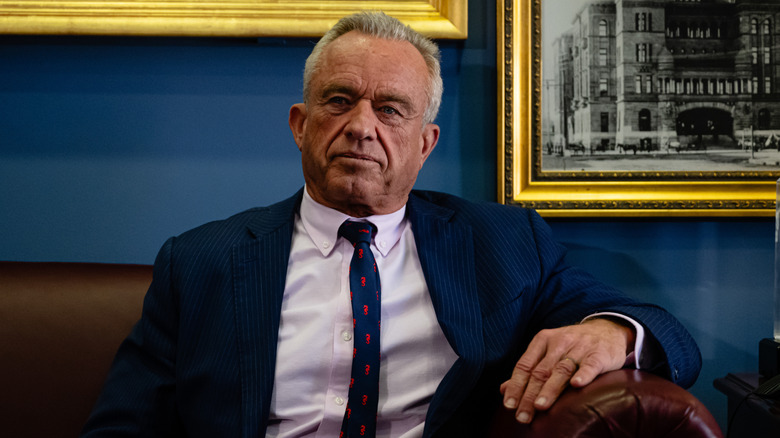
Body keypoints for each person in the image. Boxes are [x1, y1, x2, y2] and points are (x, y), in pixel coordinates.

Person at [81, 11, 701, 438]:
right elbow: (124, 425)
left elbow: (668, 334)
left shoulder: (504, 245)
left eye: (390, 109)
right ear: (301, 124)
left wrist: (613, 333)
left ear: (425, 143)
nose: (361, 126)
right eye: (339, 100)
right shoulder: (200, 261)